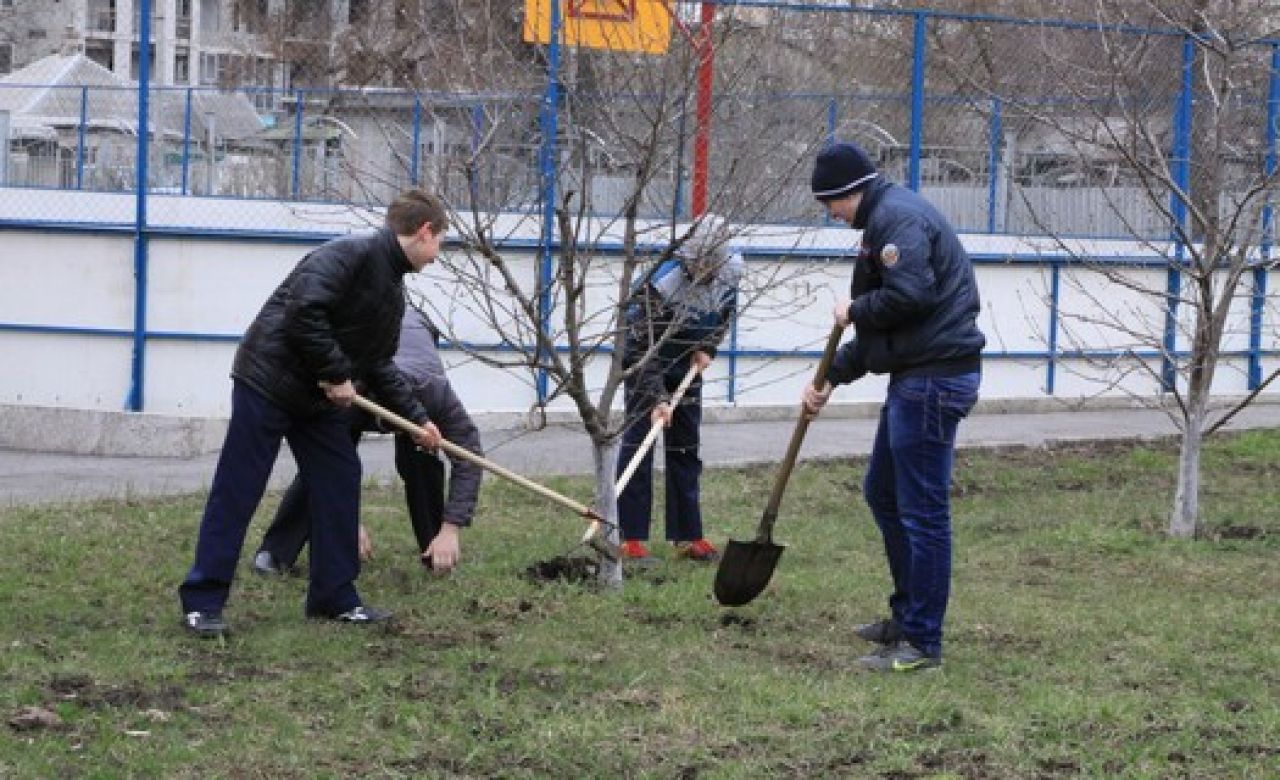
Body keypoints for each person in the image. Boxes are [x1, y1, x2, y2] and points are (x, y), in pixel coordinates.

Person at [177, 188, 449, 638]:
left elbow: (379, 363)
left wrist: (418, 419)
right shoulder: (348, 255)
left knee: (340, 478)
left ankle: (334, 598)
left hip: (316, 398)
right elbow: (304, 310)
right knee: (239, 487)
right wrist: (336, 371)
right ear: (424, 232)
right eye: (440, 241)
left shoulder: (391, 291)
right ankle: (202, 601)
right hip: (268, 381)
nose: (438, 255)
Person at [801, 142, 984, 672]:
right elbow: (894, 329)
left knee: (924, 513)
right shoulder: (884, 220)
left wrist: (855, 308)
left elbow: (911, 298)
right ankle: (907, 618)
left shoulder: (895, 220)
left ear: (846, 192)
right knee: (882, 492)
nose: (830, 215)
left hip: (934, 381)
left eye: (829, 203)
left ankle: (922, 643)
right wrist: (830, 377)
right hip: (917, 375)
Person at [251, 305, 483, 576]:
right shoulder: (349, 393)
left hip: (414, 333)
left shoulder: (435, 394)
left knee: (424, 457)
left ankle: (437, 550)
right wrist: (348, 520)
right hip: (358, 387)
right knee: (327, 463)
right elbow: (326, 463)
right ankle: (275, 553)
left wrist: (451, 527)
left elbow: (468, 457)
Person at [616, 215, 745, 564]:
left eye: (708, 263)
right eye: (696, 262)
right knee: (639, 447)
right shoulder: (661, 283)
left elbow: (724, 314)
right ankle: (630, 538)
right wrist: (657, 397)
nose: (701, 269)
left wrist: (710, 346)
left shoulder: (731, 272)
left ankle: (688, 536)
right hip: (648, 362)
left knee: (686, 448)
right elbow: (639, 346)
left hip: (688, 363)